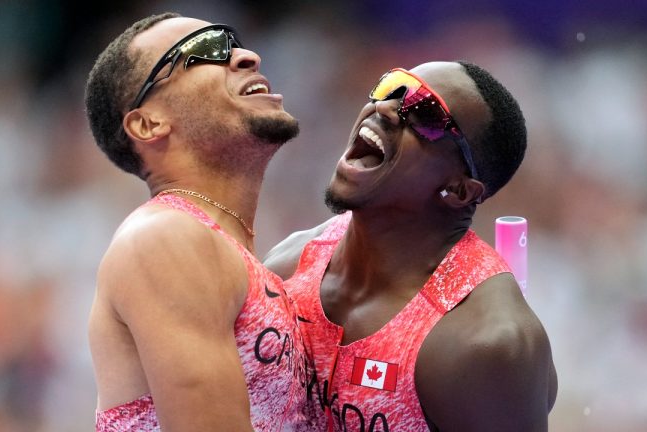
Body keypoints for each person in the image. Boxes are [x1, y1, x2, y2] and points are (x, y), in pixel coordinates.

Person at [265, 61, 558, 431]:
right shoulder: (287, 268)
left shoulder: (486, 343)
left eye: (424, 112)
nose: (385, 108)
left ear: (458, 190)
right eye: (392, 87)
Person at [85, 12, 311, 431]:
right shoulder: (164, 237)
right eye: (206, 50)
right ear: (148, 123)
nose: (248, 57)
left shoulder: (224, 252)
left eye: (234, 41)